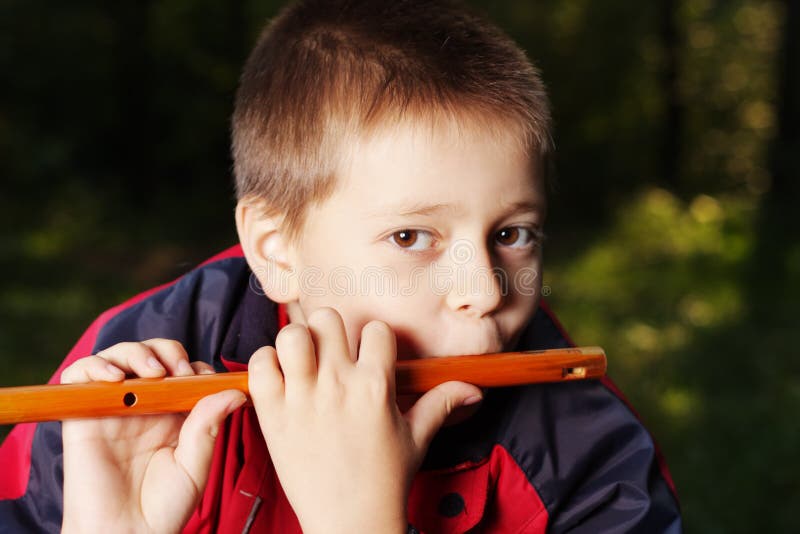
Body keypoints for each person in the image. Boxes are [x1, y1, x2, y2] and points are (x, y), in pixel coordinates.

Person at [0, 0, 682, 532]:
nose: (483, 289)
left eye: (512, 233)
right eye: (413, 237)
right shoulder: (120, 373)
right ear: (277, 250)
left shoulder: (591, 453)